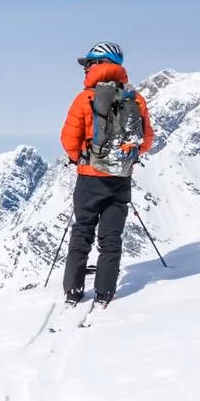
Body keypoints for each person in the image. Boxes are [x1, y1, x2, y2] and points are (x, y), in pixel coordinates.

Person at [58, 41, 154, 305]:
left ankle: (73, 290)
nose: (85, 68)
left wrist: (80, 157)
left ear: (98, 65)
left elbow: (68, 138)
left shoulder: (84, 99)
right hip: (120, 180)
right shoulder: (135, 99)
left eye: (88, 63)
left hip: (89, 177)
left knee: (82, 232)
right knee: (111, 237)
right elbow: (146, 141)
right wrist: (122, 159)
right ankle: (105, 292)